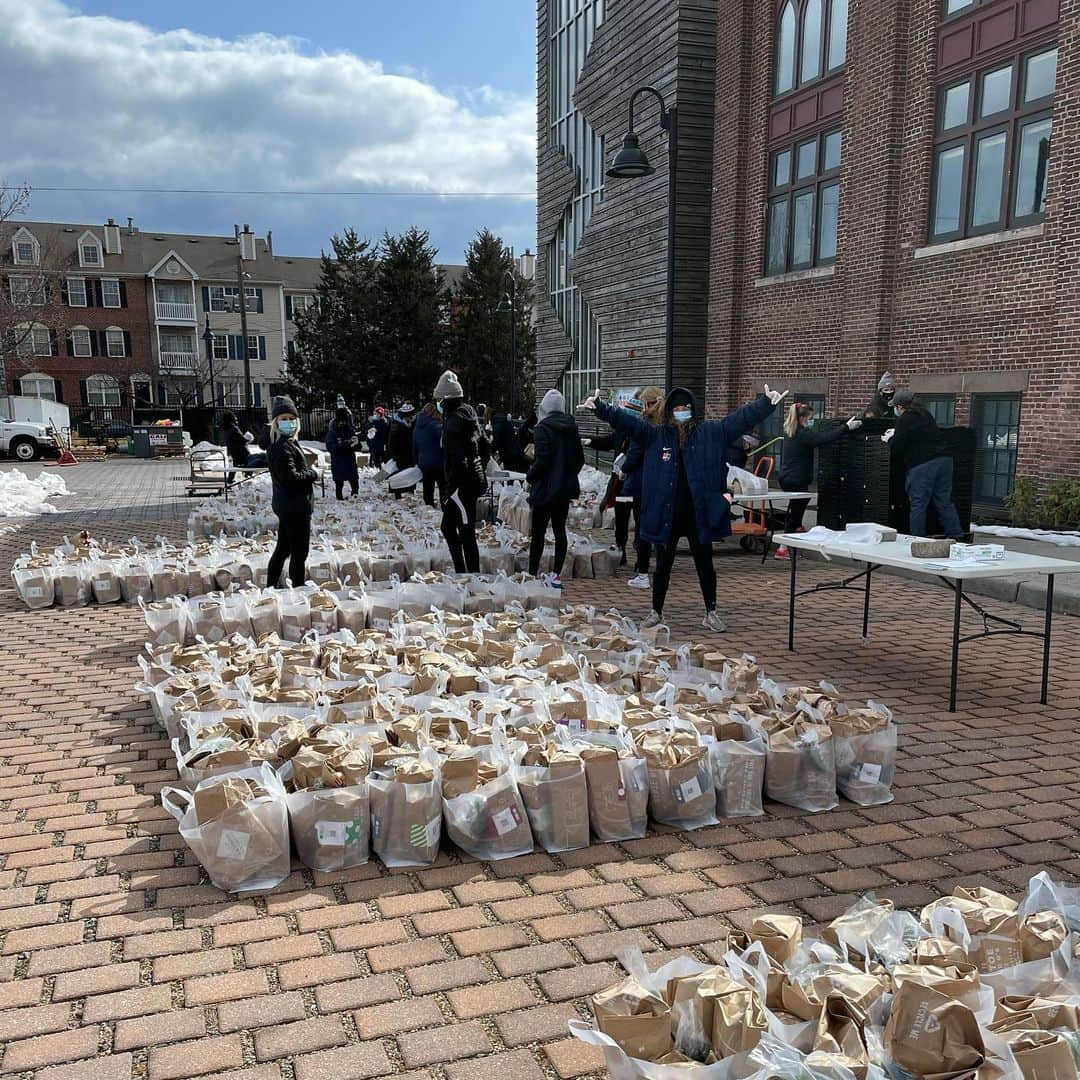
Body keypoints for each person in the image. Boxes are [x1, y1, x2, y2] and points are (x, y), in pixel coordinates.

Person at [583, 383, 788, 631]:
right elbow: (628, 424)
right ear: (669, 410)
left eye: (686, 408)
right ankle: (656, 611)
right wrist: (600, 408)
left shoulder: (710, 433)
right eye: (677, 408)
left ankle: (710, 611)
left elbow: (738, 421)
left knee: (705, 565)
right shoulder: (656, 435)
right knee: (663, 566)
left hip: (697, 513)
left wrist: (765, 404)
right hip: (666, 513)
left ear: (692, 410)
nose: (681, 412)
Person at [775, 403, 862, 559]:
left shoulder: (791, 431)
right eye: (809, 418)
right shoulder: (803, 434)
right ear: (802, 418)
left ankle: (796, 529)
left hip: (787, 477)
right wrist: (845, 427)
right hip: (797, 478)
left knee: (798, 505)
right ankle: (783, 547)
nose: (811, 421)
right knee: (795, 511)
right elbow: (823, 438)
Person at [884, 389, 964, 539]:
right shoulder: (925, 414)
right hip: (945, 460)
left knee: (918, 503)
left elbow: (897, 447)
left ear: (900, 407)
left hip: (923, 464)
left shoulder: (904, 419)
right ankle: (956, 535)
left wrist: (889, 439)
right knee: (944, 501)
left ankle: (918, 539)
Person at [527, 389, 585, 585]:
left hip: (544, 489)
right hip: (563, 490)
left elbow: (542, 459)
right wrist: (567, 475)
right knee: (560, 531)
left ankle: (532, 573)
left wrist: (531, 475)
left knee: (538, 534)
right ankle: (556, 575)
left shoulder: (542, 429)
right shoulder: (571, 427)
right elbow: (580, 459)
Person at [435, 370, 490, 573]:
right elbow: (485, 447)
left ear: (447, 399)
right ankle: (461, 571)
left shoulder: (453, 424)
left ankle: (472, 576)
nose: (439, 402)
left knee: (466, 531)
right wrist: (480, 468)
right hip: (470, 481)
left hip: (461, 486)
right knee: (448, 527)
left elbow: (456, 460)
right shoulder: (469, 414)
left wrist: (449, 490)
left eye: (441, 398)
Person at [266, 396, 318, 589]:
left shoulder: (287, 443)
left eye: (291, 418)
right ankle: (298, 588)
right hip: (294, 507)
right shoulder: (282, 447)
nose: (288, 422)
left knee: (284, 548)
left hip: (289, 505)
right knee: (299, 552)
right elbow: (291, 477)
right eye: (283, 418)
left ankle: (271, 586)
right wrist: (312, 474)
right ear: (276, 422)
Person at [413, 402, 444, 507]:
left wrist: (417, 461)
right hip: (438, 461)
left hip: (423, 461)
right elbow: (444, 442)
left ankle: (428, 505)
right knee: (443, 486)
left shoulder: (417, 426)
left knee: (427, 486)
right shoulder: (436, 425)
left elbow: (414, 446)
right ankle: (445, 506)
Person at [325, 407, 360, 500]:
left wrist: (356, 444)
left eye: (345, 421)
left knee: (354, 481)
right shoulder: (332, 433)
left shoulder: (349, 430)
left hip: (350, 461)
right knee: (339, 483)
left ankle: (355, 494)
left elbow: (357, 446)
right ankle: (339, 498)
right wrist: (345, 444)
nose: (343, 423)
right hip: (338, 461)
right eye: (341, 421)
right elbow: (331, 447)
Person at [386, 402, 417, 497]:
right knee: (398, 474)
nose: (411, 418)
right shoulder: (396, 425)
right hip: (399, 454)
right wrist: (394, 456)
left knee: (408, 472)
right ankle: (397, 493)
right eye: (409, 416)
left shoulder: (410, 423)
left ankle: (410, 490)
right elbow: (391, 442)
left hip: (408, 454)